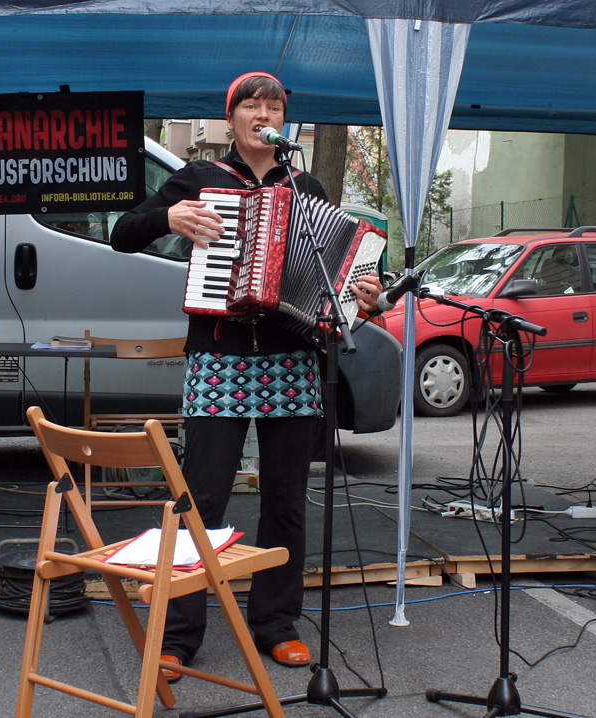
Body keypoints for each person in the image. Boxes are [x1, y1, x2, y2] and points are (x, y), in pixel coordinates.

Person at [109, 71, 384, 676]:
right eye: (251, 104)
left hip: (292, 358)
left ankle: (275, 622)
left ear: (285, 119)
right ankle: (181, 632)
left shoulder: (304, 183)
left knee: (285, 499)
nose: (264, 112)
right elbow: (121, 233)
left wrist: (365, 294)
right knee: (202, 498)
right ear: (230, 118)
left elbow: (336, 273)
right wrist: (170, 217)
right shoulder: (199, 179)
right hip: (219, 356)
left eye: (274, 105)